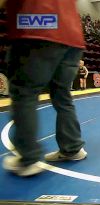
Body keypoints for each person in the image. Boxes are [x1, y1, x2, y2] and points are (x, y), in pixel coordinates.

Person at [2, 0, 87, 177]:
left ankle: (28, 159)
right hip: (72, 35)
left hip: (38, 25)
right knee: (62, 95)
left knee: (24, 93)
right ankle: (72, 148)